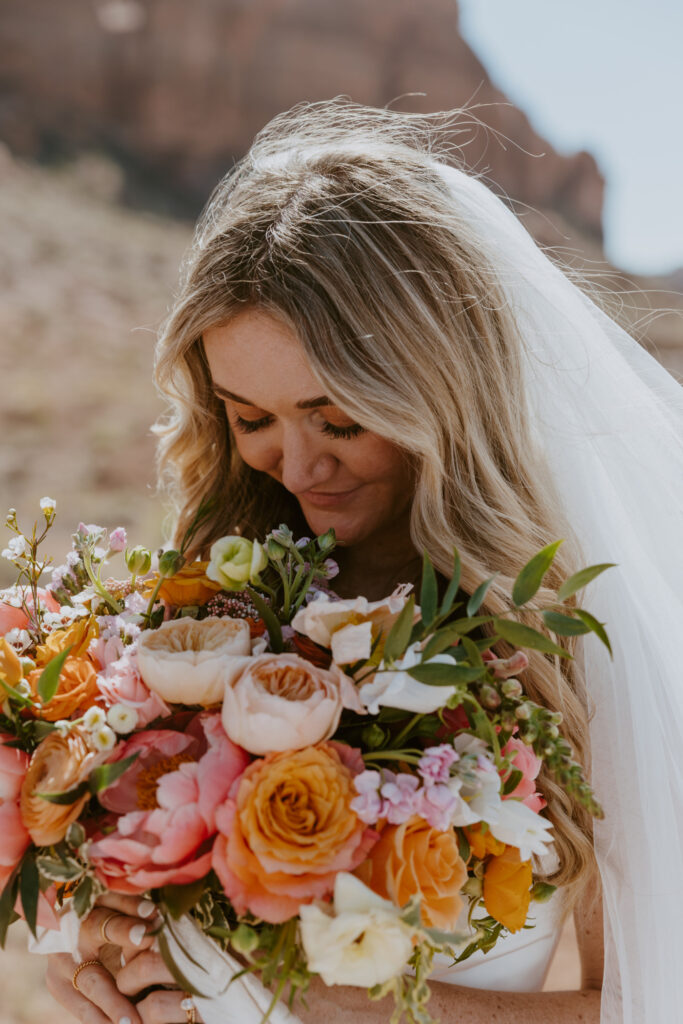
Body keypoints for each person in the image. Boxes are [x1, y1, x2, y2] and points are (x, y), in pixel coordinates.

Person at [42, 99, 682, 1024]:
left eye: (338, 417)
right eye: (251, 418)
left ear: (435, 391)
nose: (298, 467)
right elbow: (153, 918)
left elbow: (640, 1002)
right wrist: (97, 956)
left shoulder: (559, 638)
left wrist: (340, 1009)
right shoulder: (210, 614)